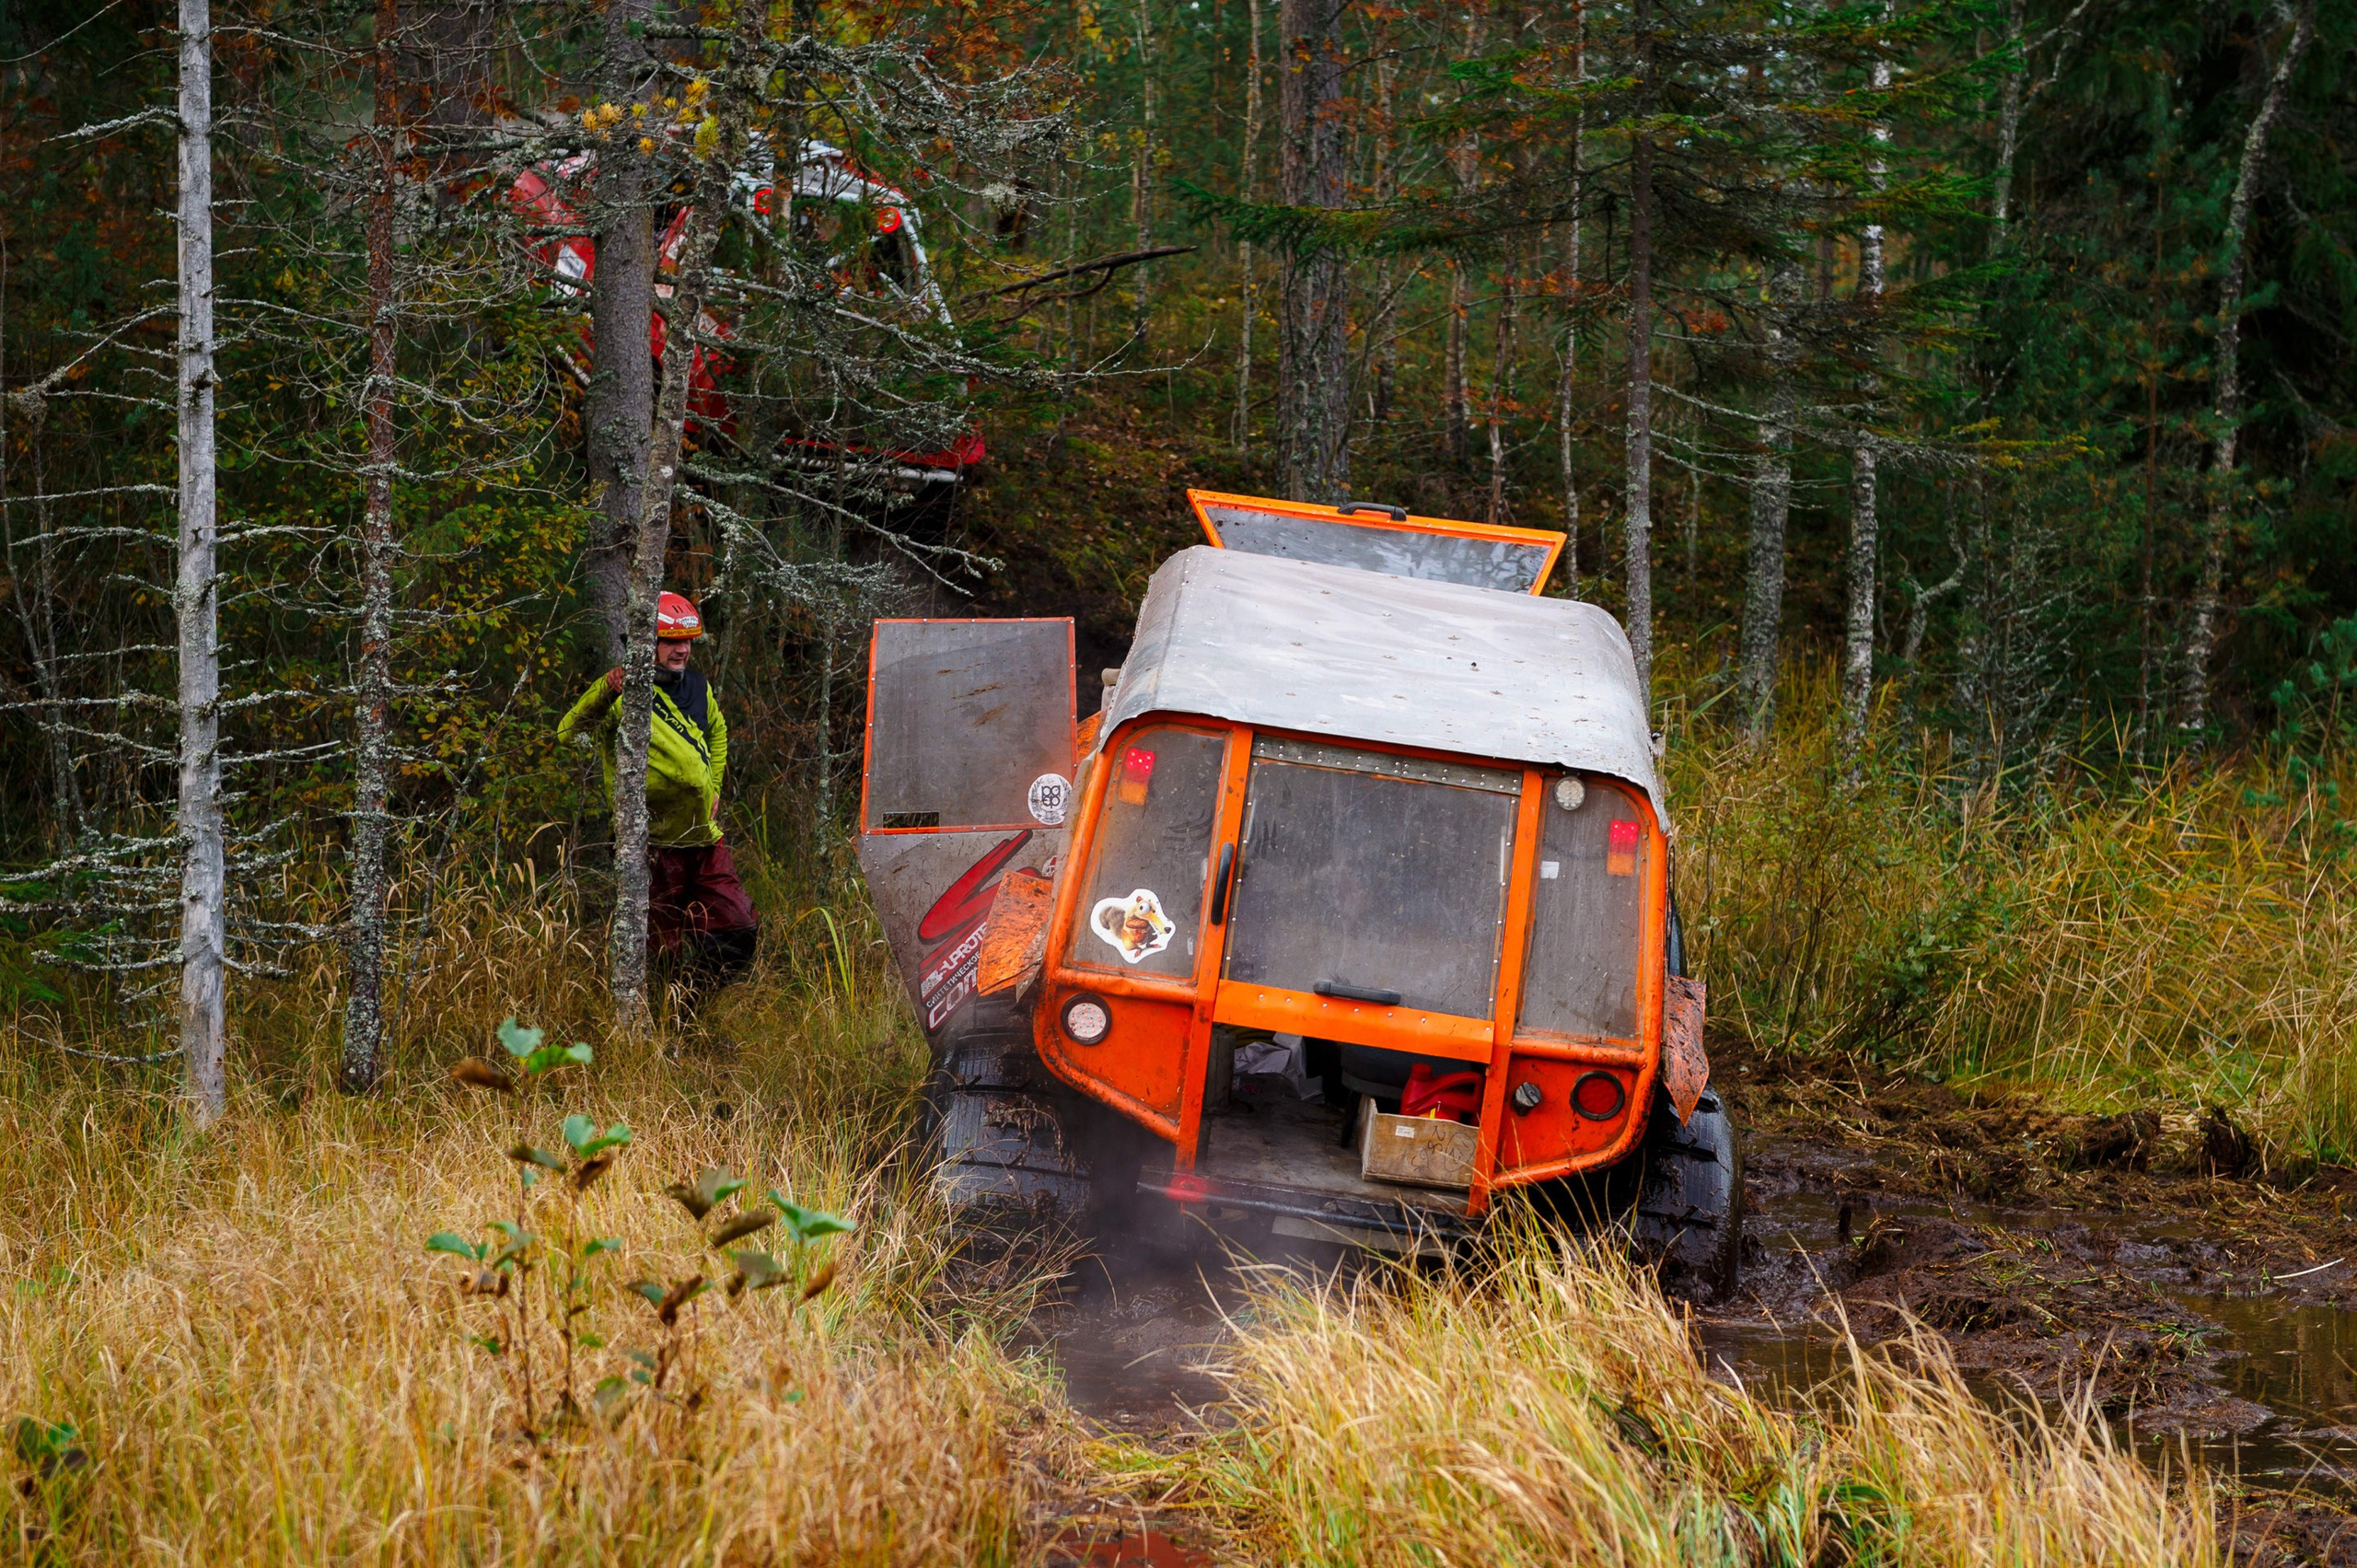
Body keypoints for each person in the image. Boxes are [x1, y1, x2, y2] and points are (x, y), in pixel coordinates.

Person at [558, 591, 759, 1006]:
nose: (682, 650)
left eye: (687, 641)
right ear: (646, 642)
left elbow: (718, 734)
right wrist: (607, 692)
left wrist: (715, 786)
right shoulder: (622, 690)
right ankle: (660, 1022)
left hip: (703, 838)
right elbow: (568, 731)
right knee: (658, 949)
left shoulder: (698, 687)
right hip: (651, 846)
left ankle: (696, 1007)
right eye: (670, 641)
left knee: (737, 925)